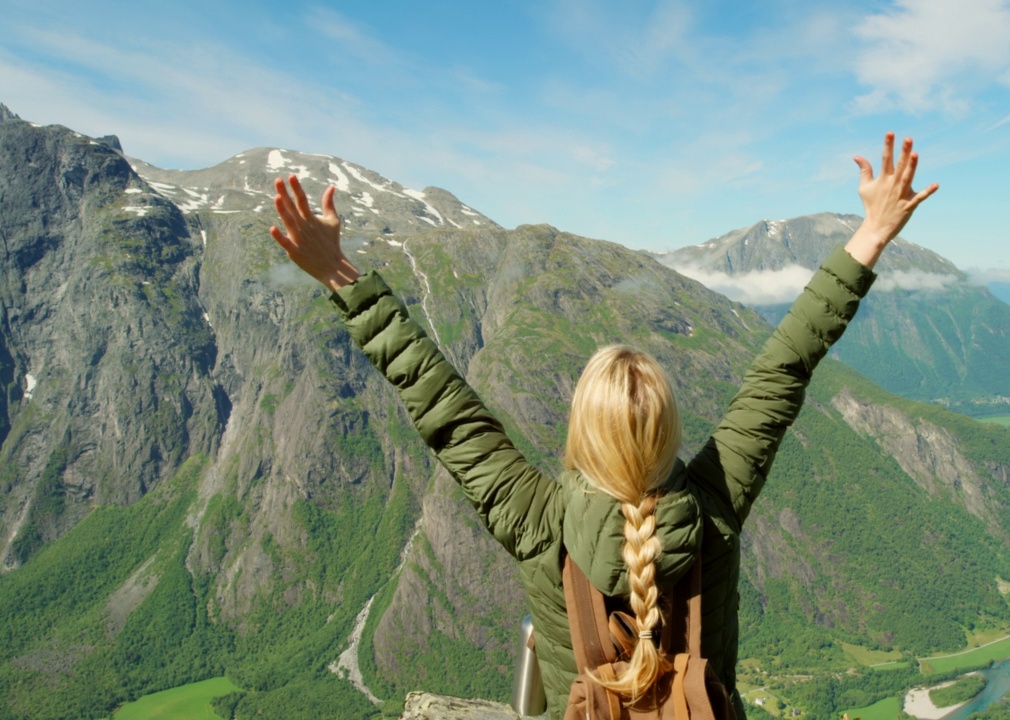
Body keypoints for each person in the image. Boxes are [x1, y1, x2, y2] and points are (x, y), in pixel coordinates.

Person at [270, 133, 937, 719]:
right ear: (670, 431)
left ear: (579, 433)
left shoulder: (537, 519)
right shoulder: (715, 501)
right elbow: (785, 368)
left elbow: (440, 403)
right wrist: (870, 235)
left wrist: (339, 274)